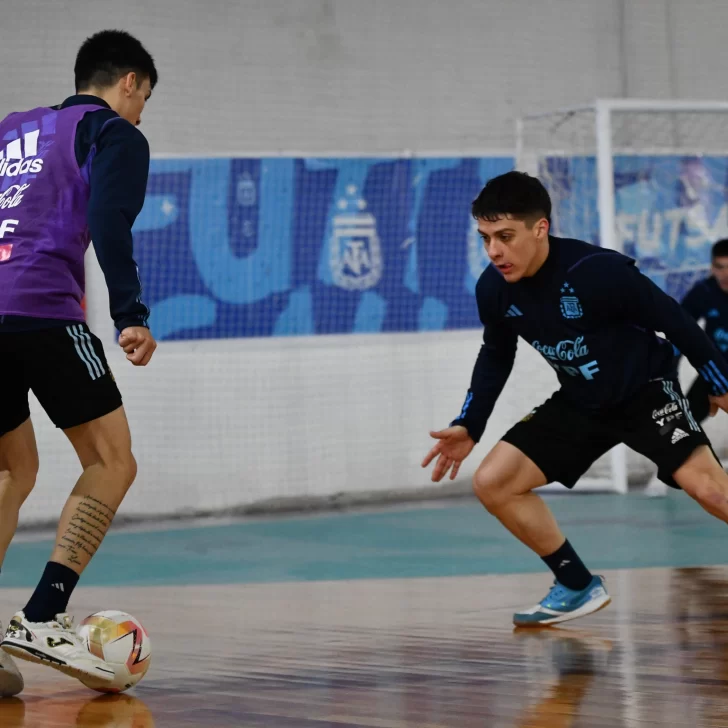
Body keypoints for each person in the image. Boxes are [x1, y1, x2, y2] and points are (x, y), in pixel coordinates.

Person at [422, 171, 728, 627]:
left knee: (709, 490)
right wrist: (470, 423)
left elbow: (676, 321)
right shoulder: (494, 288)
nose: (494, 252)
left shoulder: (597, 272)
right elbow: (496, 354)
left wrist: (720, 382)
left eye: (505, 237)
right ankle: (576, 584)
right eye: (485, 238)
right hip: (581, 401)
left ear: (540, 228)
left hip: (645, 392)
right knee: (494, 482)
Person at [0, 29, 157, 693]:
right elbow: (110, 219)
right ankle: (42, 613)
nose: (142, 111)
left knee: (15, 469)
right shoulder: (114, 134)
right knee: (113, 460)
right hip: (41, 310)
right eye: (144, 97)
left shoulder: (11, 132)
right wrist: (131, 315)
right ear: (128, 82)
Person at [680, 239, 728, 422]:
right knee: (686, 421)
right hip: (716, 370)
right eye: (720, 267)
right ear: (712, 268)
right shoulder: (703, 292)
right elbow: (678, 326)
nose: (726, 274)